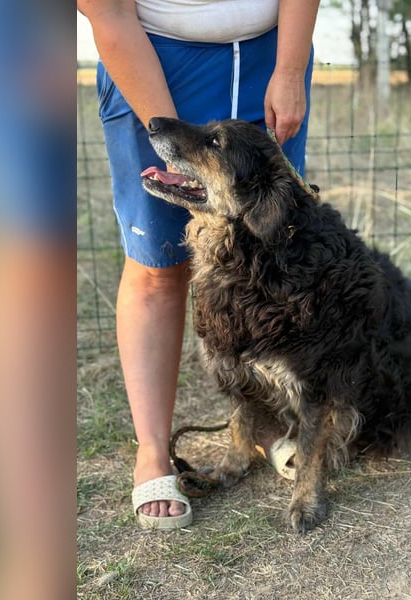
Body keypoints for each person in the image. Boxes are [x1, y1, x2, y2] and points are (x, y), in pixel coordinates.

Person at [77, 0, 320, 529]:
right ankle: (153, 453)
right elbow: (108, 10)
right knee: (157, 268)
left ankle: (264, 425)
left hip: (270, 54)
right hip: (155, 60)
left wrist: (290, 68)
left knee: (270, 256)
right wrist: (173, 141)